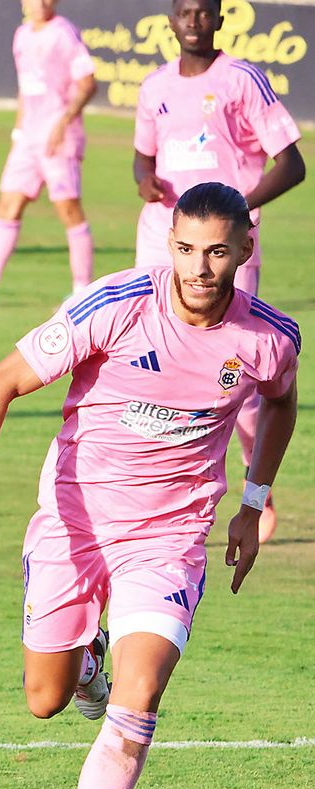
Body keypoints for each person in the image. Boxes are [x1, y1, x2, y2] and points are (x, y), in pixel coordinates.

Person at [0, 182, 299, 789]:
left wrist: (254, 499)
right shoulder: (116, 305)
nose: (199, 267)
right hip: (75, 526)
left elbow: (281, 399)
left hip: (169, 542)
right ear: (168, 242)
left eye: (216, 251)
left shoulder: (268, 336)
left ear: (243, 250)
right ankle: (85, 666)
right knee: (45, 697)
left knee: (140, 700)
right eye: (186, 249)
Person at [133, 0, 304, 539]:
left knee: (241, 374)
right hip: (162, 240)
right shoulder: (153, 86)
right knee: (150, 360)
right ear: (170, 20)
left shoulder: (242, 80)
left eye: (203, 12)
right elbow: (143, 156)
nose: (193, 21)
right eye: (183, 11)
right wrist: (144, 180)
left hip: (223, 249)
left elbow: (293, 164)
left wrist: (235, 210)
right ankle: (156, 487)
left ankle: (259, 490)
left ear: (219, 18)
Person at [0, 0, 96, 309]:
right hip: (28, 138)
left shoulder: (63, 34)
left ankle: (83, 293)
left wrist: (64, 122)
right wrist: (17, 133)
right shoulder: (22, 35)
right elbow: (26, 90)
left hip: (58, 138)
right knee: (8, 204)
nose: (40, 3)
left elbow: (88, 83)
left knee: (68, 210)